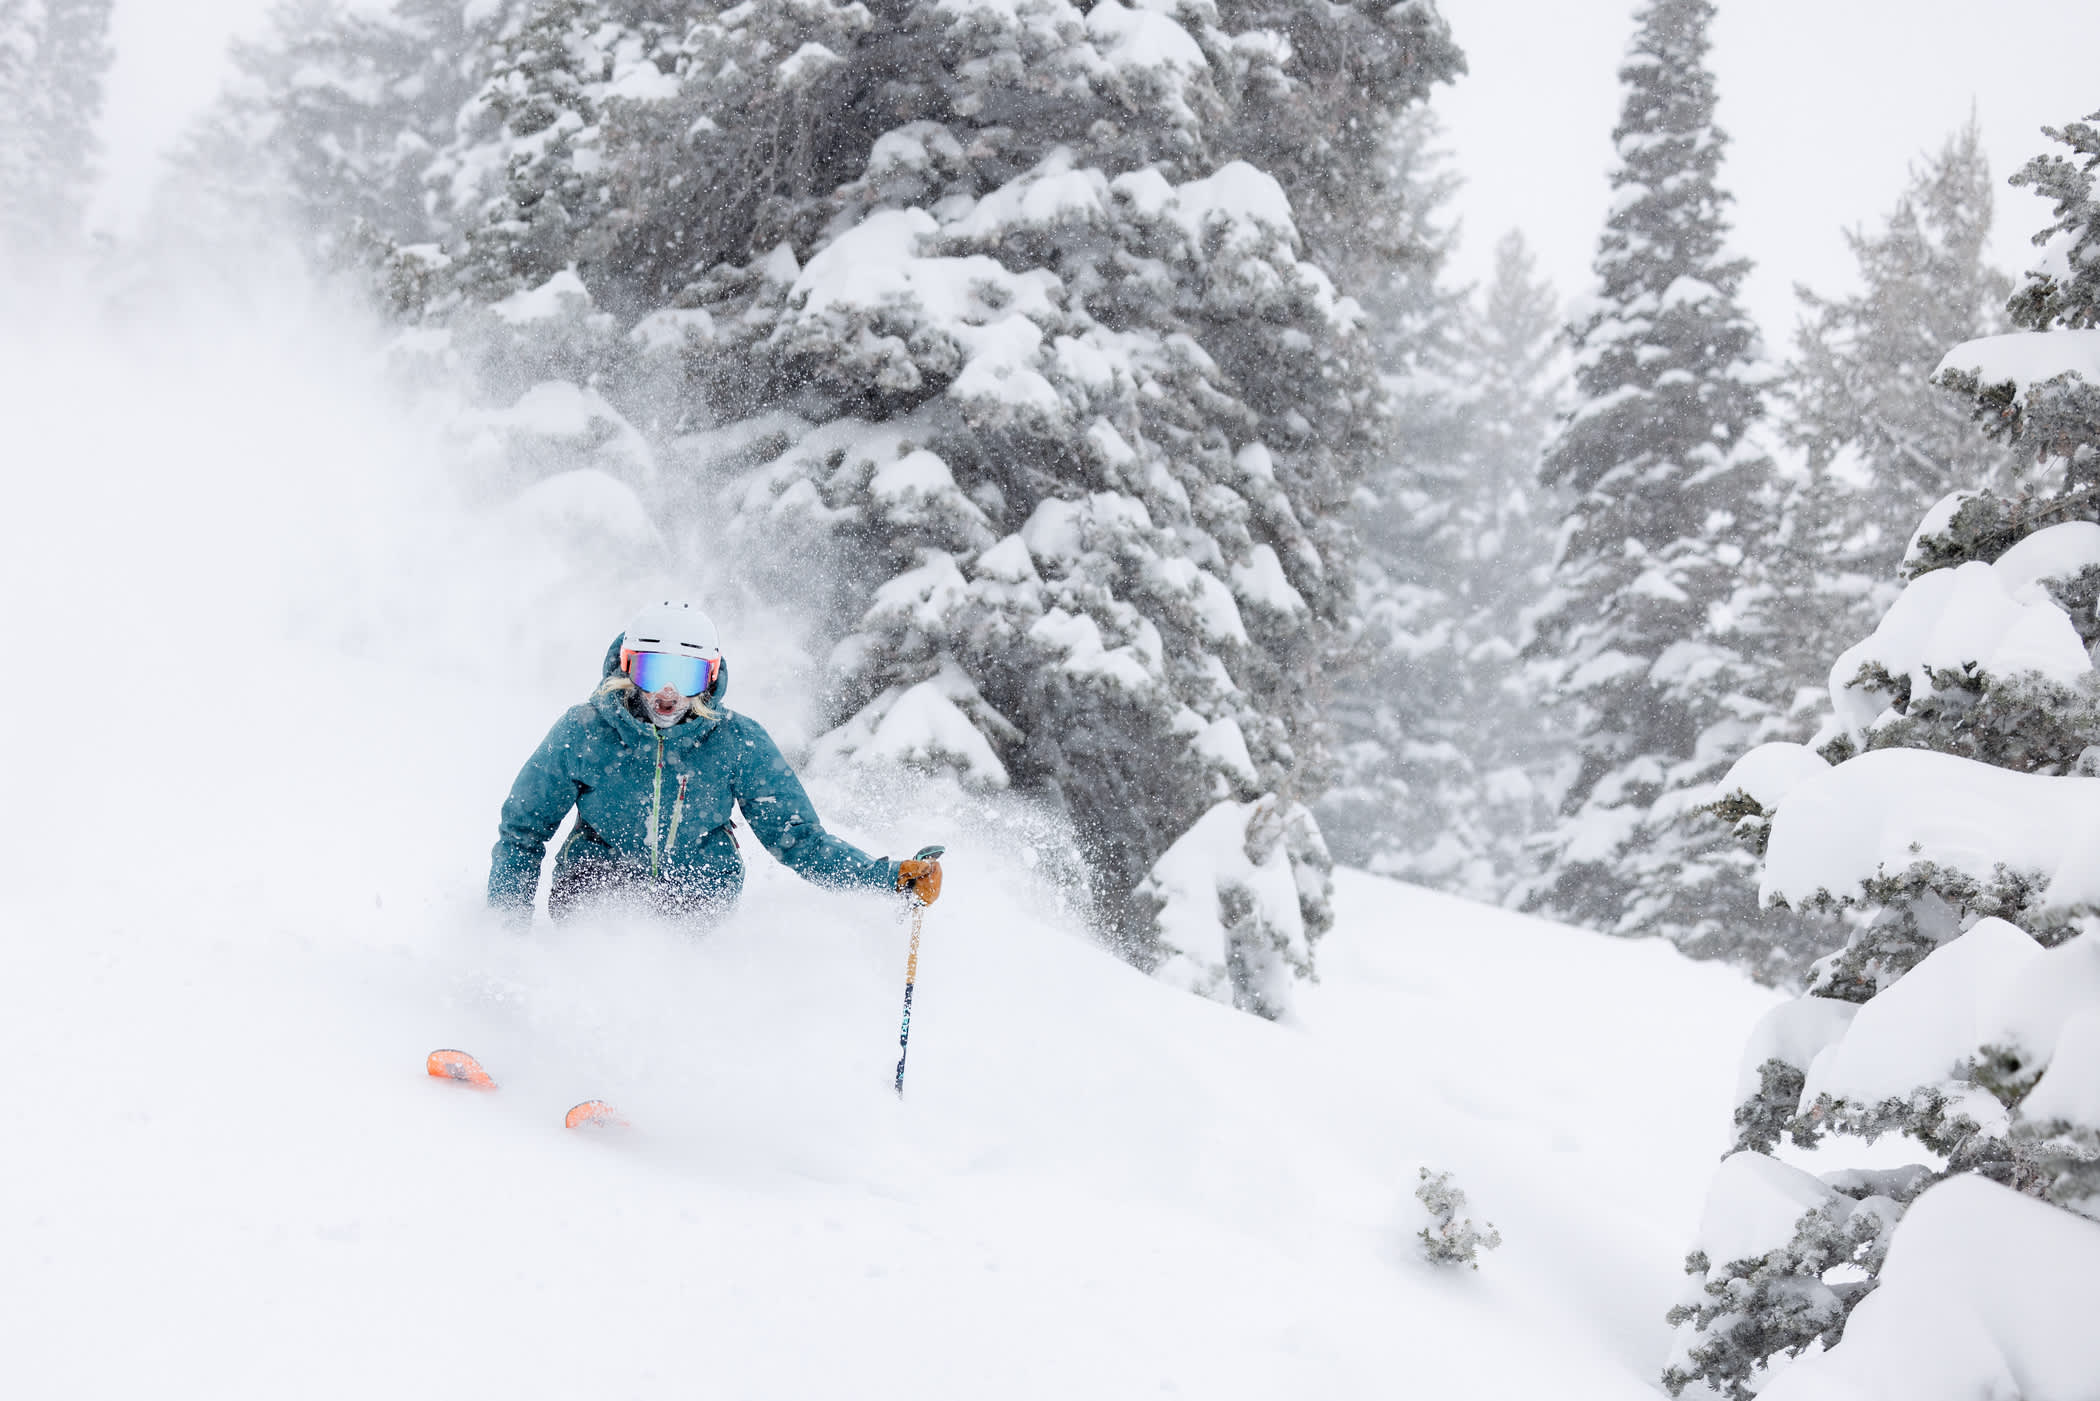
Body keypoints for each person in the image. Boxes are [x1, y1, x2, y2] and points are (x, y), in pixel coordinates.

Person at [488, 600, 942, 926]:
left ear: (708, 676)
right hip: (594, 886)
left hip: (697, 896)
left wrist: (888, 879)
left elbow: (800, 840)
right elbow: (522, 833)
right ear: (628, 669)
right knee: (601, 961)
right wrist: (504, 937)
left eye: (684, 675)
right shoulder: (585, 731)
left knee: (672, 990)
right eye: (651, 672)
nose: (668, 693)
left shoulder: (736, 743)